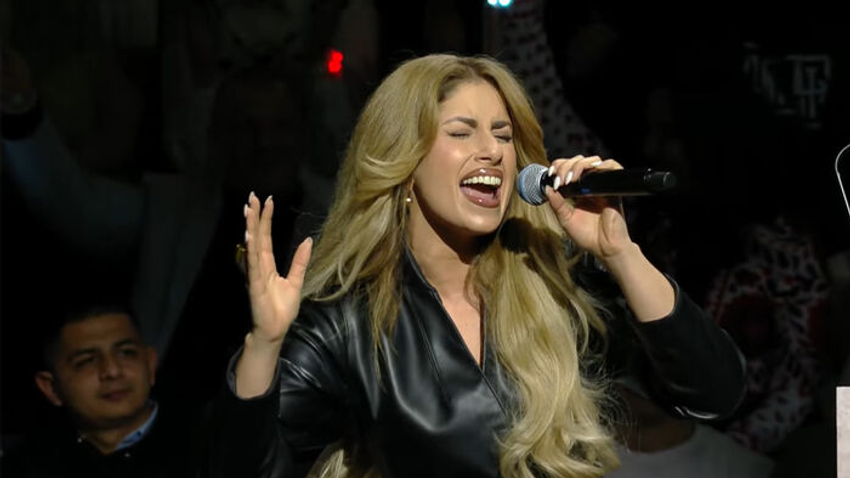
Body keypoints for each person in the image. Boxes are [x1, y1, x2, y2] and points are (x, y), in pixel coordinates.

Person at [207, 54, 745, 478]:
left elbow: (715, 392)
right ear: (404, 162)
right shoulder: (351, 321)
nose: (492, 151)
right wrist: (265, 343)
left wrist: (621, 253)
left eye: (504, 135)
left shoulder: (554, 285)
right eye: (462, 132)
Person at [1, 305, 200, 477]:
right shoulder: (25, 465)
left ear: (150, 364)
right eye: (87, 361)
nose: (112, 371)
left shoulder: (206, 443)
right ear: (51, 387)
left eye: (126, 353)